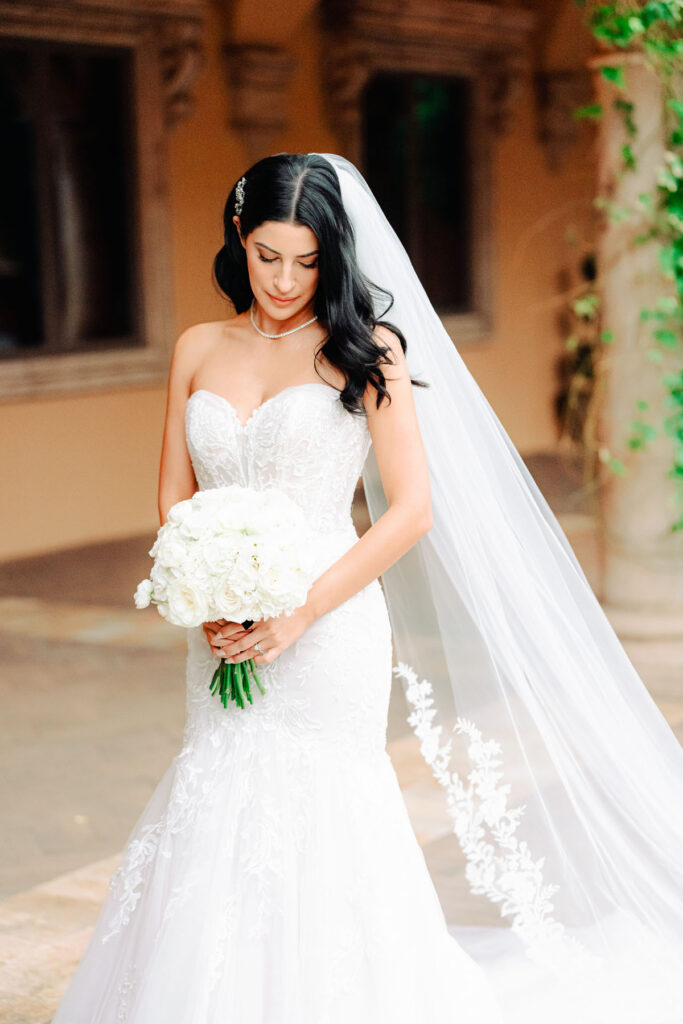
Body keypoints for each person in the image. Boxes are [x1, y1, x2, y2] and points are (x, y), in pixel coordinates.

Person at [49, 153, 683, 1024]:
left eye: (308, 261)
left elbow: (410, 509)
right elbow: (173, 492)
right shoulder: (198, 346)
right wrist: (206, 594)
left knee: (322, 806)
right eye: (269, 255)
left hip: (329, 618)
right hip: (225, 622)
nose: (285, 280)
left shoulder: (367, 348)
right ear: (240, 235)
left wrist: (300, 610)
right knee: (219, 784)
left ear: (334, 256)